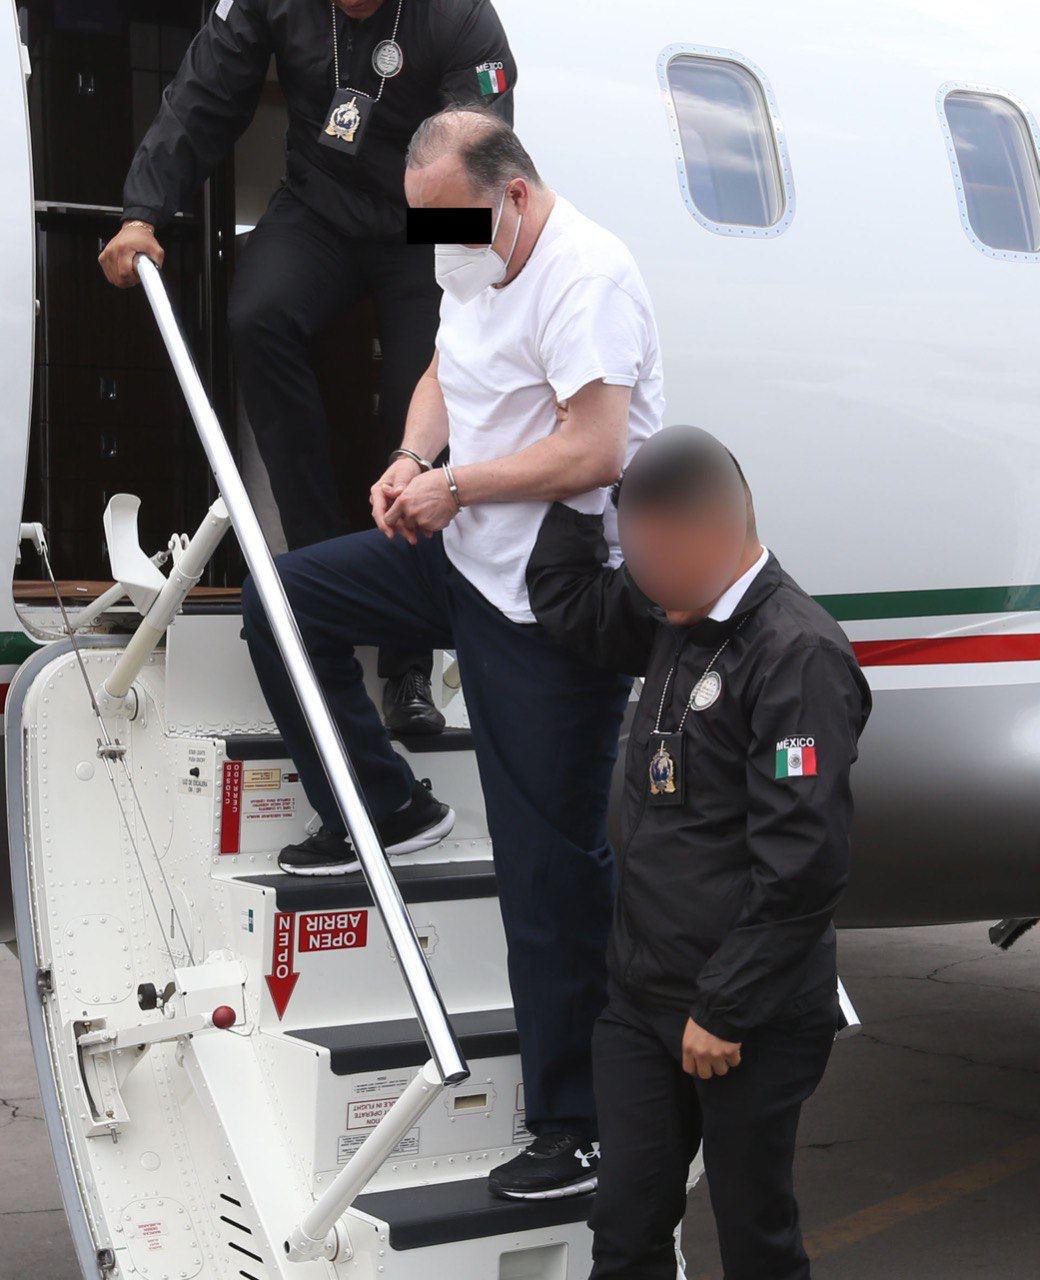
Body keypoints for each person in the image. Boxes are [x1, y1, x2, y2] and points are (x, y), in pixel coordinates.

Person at [241, 105, 665, 1198]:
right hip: (462, 557)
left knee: (548, 869)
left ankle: (578, 1127)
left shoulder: (586, 276)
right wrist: (407, 456)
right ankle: (385, 804)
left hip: (549, 601)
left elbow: (595, 447)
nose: (440, 246)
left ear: (513, 193)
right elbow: (443, 368)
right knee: (283, 598)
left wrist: (458, 484)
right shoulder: (469, 244)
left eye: (453, 222)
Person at [98, 0, 517, 734]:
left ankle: (409, 663)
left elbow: (482, 159)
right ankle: (323, 572)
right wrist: (143, 211)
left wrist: (465, 293)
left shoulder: (458, 17)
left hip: (427, 221)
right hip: (321, 204)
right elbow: (205, 92)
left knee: (418, 398)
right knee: (258, 317)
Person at [526, 426, 872, 1279]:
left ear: (719, 530)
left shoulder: (798, 654)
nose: (646, 589)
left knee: (755, 1240)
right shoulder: (677, 609)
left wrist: (726, 1008)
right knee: (625, 1233)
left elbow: (805, 862)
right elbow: (568, 605)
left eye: (658, 565)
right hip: (641, 1002)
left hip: (745, 1016)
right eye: (636, 563)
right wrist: (578, 481)